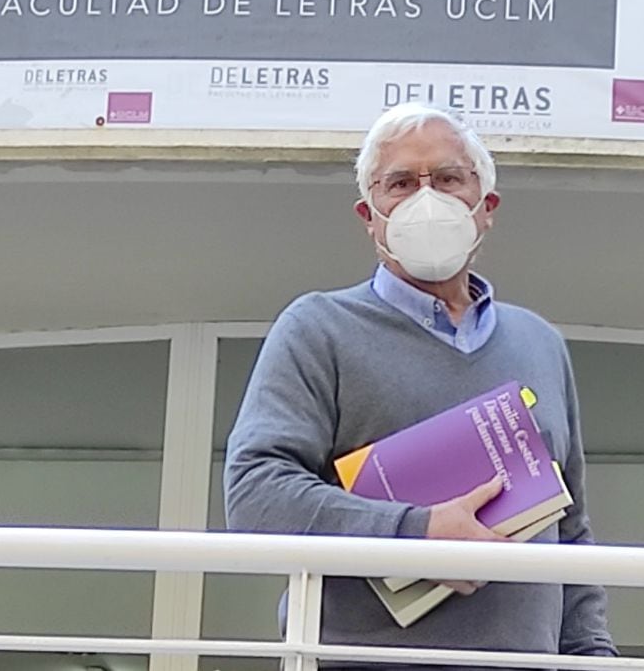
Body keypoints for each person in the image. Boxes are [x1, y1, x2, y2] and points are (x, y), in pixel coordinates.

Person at [224, 103, 616, 665]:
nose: (425, 200)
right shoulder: (317, 329)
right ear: (369, 214)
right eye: (400, 183)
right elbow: (255, 495)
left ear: (486, 208)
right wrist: (414, 533)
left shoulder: (540, 344)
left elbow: (569, 528)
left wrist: (593, 654)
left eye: (450, 178)